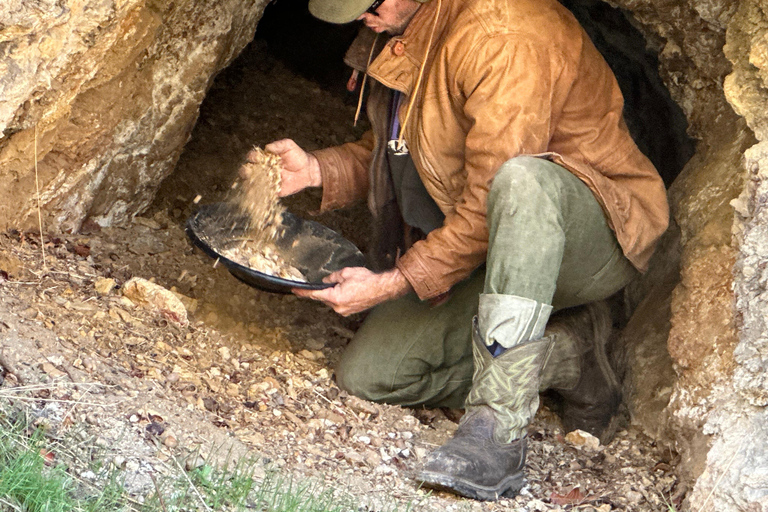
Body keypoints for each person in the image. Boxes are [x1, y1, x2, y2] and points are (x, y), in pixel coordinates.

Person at [249, 0, 668, 501]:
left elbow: (497, 193)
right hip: (487, 242)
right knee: (371, 375)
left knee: (523, 181)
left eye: (370, 3)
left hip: (590, 231)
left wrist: (393, 282)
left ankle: (496, 431)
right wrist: (318, 169)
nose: (362, 16)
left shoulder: (504, 32)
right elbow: (410, 151)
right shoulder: (408, 26)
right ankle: (570, 354)